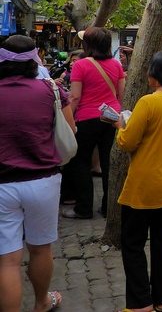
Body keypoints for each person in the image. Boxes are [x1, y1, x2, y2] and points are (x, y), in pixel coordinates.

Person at [111, 50, 162, 312]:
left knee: (132, 243)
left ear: (156, 74)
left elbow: (127, 142)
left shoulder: (148, 103)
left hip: (145, 185)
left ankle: (139, 303)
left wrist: (121, 125)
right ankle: (161, 300)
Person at [0, 35, 75, 312]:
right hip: (43, 181)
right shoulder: (51, 90)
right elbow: (71, 130)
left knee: (7, 260)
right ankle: (42, 302)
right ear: (35, 61)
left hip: (2, 184)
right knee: (41, 249)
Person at [63, 26, 125, 219]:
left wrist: (69, 121)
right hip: (111, 118)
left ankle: (84, 208)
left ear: (88, 44)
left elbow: (74, 97)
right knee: (108, 163)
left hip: (87, 119)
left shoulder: (81, 65)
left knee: (81, 161)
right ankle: (108, 208)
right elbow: (120, 94)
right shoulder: (116, 65)